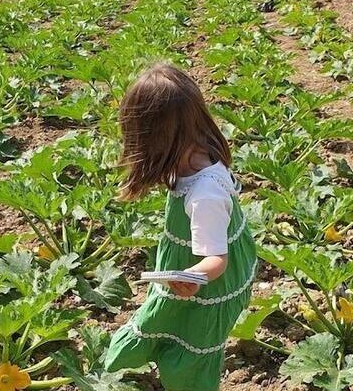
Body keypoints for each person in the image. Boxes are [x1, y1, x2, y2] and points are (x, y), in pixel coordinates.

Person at [104, 63, 257, 391]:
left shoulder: (205, 196)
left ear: (158, 141)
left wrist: (192, 276)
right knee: (166, 328)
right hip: (191, 267)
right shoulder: (194, 149)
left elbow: (217, 259)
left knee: (188, 353)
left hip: (208, 281)